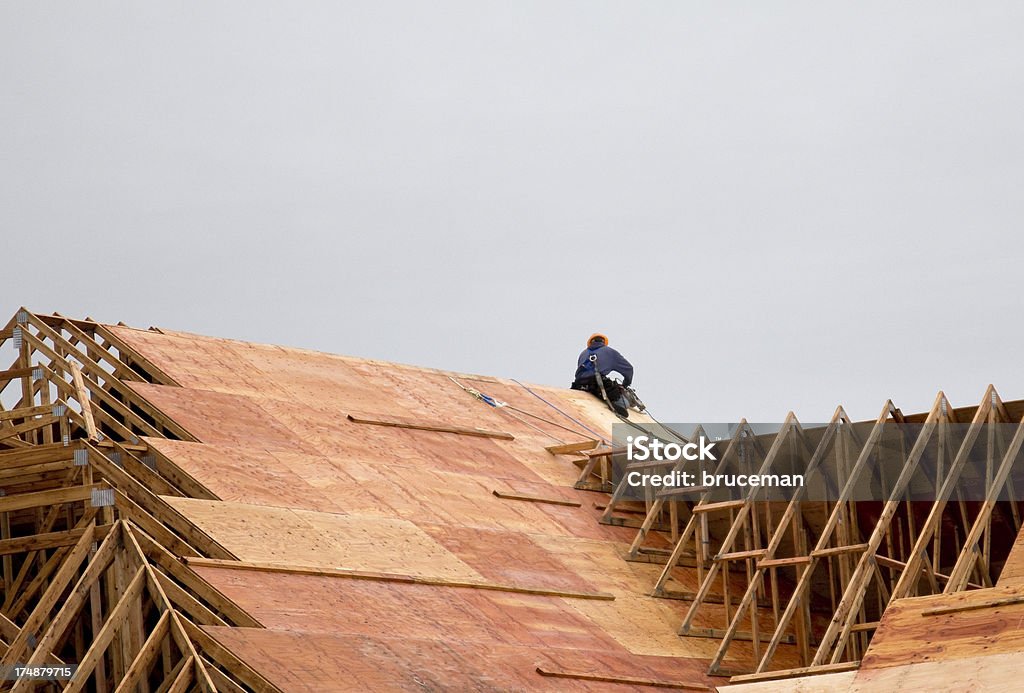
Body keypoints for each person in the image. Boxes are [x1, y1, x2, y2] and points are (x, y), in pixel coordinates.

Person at [571, 333, 634, 417]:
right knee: (624, 403)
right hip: (597, 384)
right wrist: (625, 384)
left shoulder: (583, 354)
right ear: (604, 342)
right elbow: (629, 369)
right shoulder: (610, 352)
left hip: (579, 385)